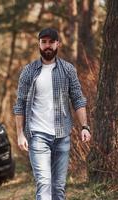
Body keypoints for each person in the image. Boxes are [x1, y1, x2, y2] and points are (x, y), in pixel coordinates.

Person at [13, 28, 91, 200]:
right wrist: (20, 134)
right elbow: (20, 104)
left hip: (62, 135)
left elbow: (78, 99)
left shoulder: (68, 70)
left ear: (58, 44)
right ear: (39, 45)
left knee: (58, 187)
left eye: (51, 42)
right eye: (44, 42)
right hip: (38, 136)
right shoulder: (29, 71)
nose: (47, 45)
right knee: (44, 184)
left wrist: (85, 126)